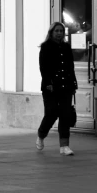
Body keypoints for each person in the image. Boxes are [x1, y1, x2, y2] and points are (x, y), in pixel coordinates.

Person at [36, 21, 78, 156]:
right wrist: (48, 83)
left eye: (61, 31)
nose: (59, 33)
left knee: (65, 115)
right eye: (57, 31)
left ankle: (64, 146)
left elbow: (70, 67)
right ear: (51, 33)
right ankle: (41, 135)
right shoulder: (46, 47)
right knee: (51, 112)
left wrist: (74, 83)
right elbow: (43, 67)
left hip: (66, 86)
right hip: (51, 87)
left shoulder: (66, 47)